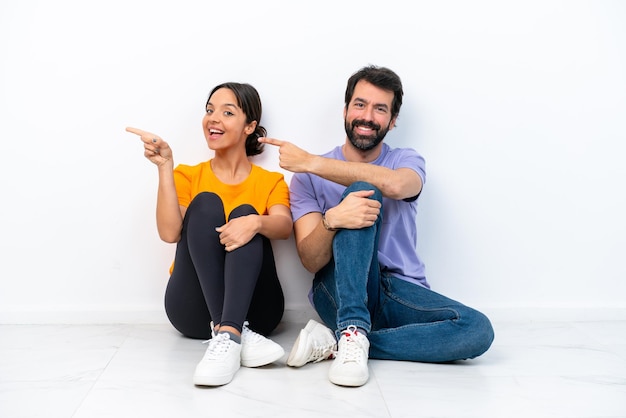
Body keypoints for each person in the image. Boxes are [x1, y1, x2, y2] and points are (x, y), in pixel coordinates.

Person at [259, 65, 494, 387]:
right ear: (345, 110)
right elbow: (311, 261)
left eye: (380, 109)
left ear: (393, 120)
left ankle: (340, 342)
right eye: (360, 104)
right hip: (338, 288)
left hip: (398, 290)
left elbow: (397, 186)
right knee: (358, 194)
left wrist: (312, 161)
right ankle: (353, 326)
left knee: (476, 330)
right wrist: (332, 220)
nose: (367, 116)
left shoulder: (406, 161)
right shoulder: (305, 180)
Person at [126, 82, 293, 387]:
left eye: (227, 112)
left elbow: (283, 227)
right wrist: (165, 167)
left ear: (249, 126)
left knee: (245, 213)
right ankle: (229, 331)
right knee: (205, 204)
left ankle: (228, 332)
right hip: (192, 308)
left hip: (258, 310)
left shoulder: (271, 180)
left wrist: (254, 223)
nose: (213, 118)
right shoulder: (189, 175)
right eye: (209, 110)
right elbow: (169, 233)